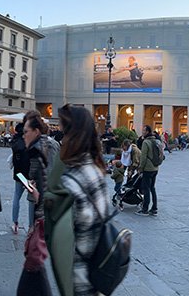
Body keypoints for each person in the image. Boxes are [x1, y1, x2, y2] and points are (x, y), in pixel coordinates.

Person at [52, 105, 115, 295]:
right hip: (96, 274)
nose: (61, 138)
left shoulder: (72, 179)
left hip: (80, 280)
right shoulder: (94, 168)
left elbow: (72, 239)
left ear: (73, 135)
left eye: (63, 131)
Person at [18, 111, 56, 295]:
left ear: (36, 130)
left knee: (33, 261)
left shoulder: (40, 149)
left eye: (26, 131)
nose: (23, 135)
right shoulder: (45, 146)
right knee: (35, 262)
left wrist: (33, 188)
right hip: (46, 208)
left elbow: (45, 180)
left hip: (43, 209)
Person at [136, 126, 165, 216]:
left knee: (146, 188)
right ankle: (154, 208)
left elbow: (143, 157)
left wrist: (140, 168)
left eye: (144, 130)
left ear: (147, 131)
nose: (142, 132)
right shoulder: (157, 141)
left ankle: (145, 209)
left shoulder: (146, 142)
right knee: (152, 188)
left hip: (148, 169)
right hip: (155, 168)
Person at [10, 122, 30, 235]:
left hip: (19, 174)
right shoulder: (28, 142)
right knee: (31, 200)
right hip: (29, 174)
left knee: (16, 197)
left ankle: (15, 222)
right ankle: (31, 225)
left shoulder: (15, 142)